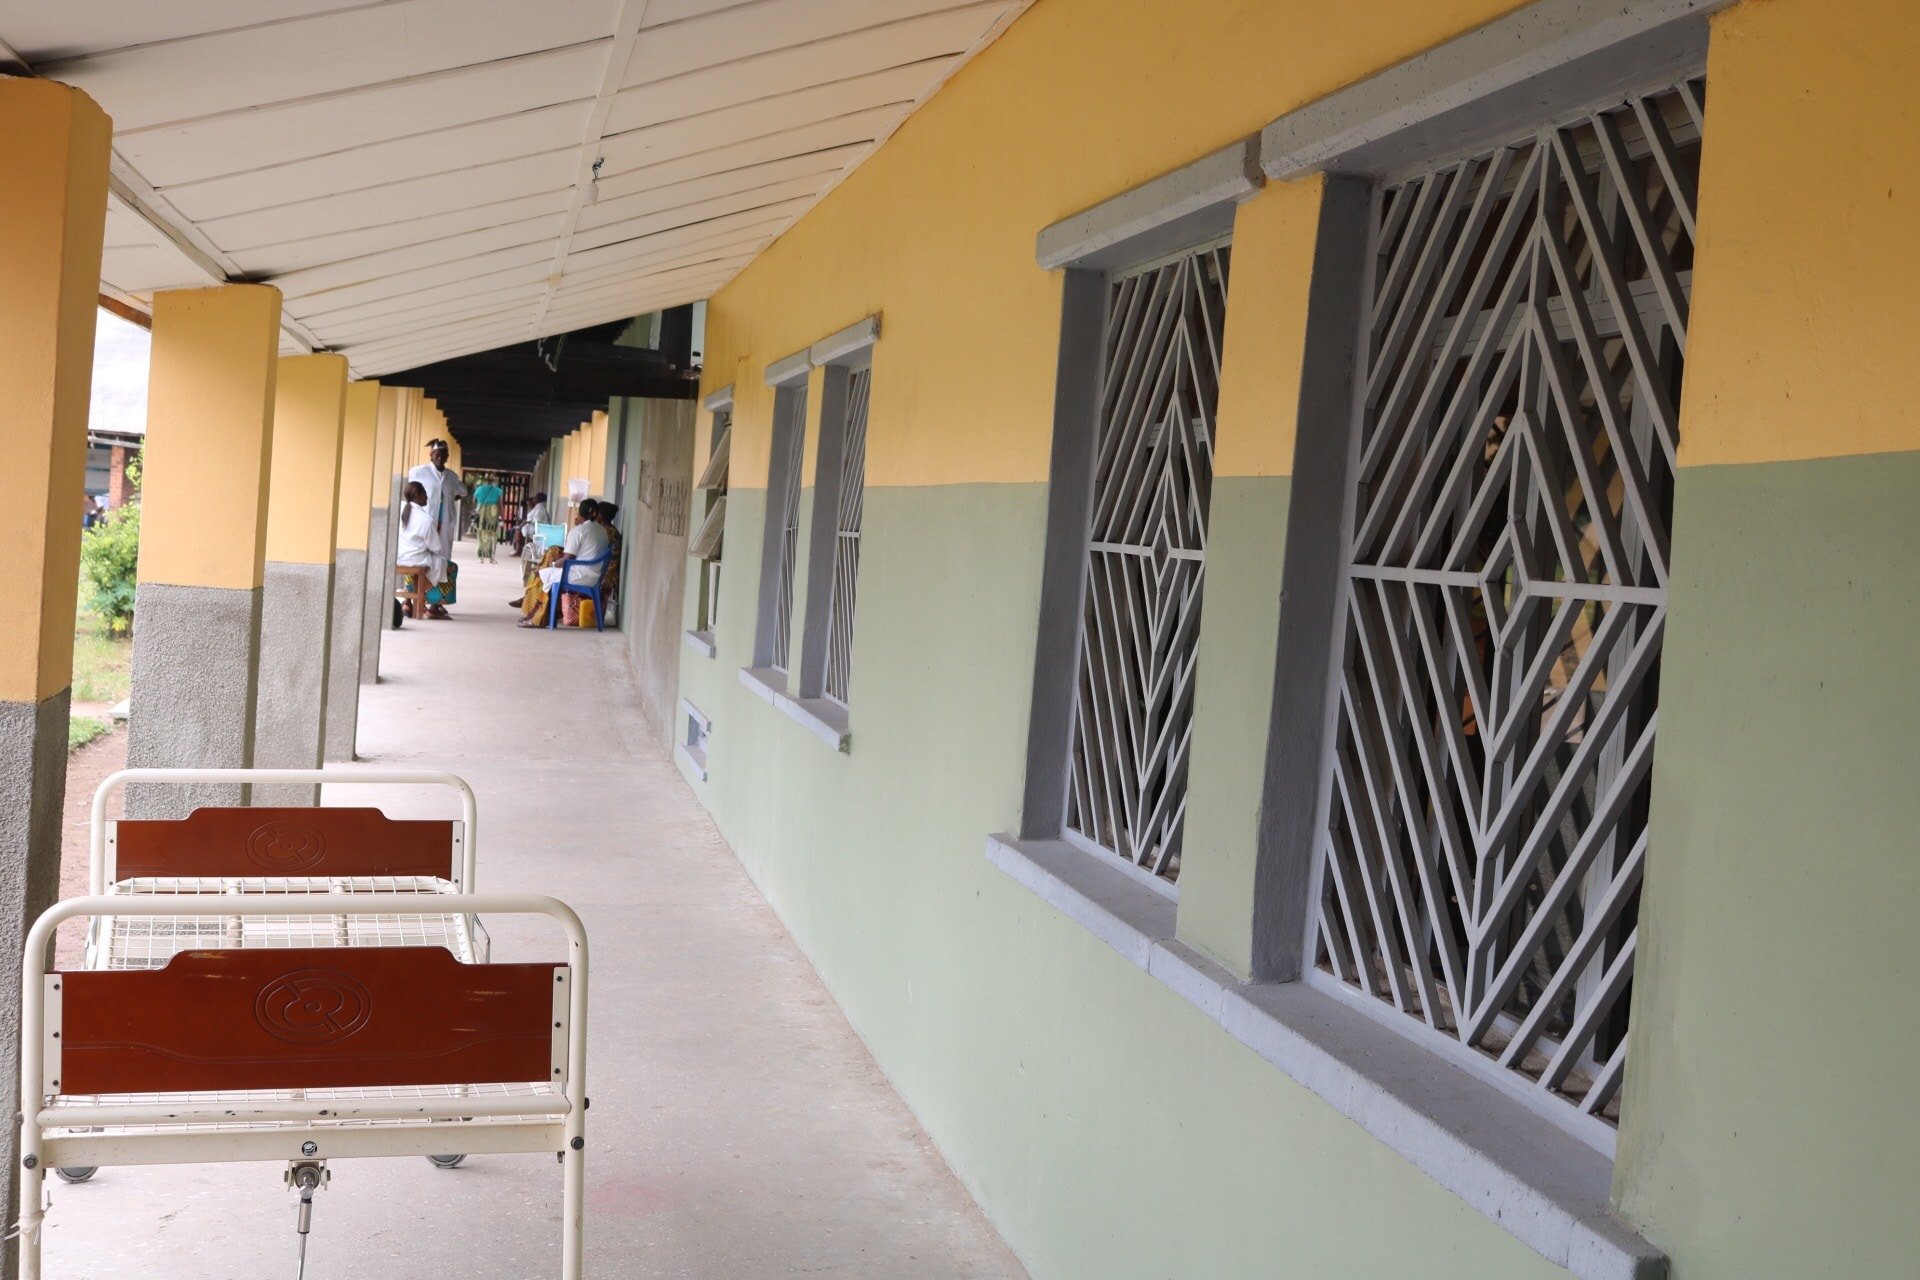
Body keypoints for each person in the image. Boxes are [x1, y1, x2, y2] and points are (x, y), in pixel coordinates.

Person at [517, 499, 610, 628]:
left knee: (542, 575)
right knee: (546, 574)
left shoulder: (579, 531)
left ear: (579, 513)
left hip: (578, 576)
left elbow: (567, 558)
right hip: (594, 577)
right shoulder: (602, 531)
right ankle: (538, 615)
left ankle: (537, 618)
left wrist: (552, 565)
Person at [406, 439, 466, 611]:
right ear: (431, 456)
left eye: (443, 455)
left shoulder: (452, 477)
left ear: (447, 456)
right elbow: (409, 489)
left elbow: (463, 492)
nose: (440, 457)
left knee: (442, 561)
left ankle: (434, 602)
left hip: (444, 525)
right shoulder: (419, 472)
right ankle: (412, 601)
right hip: (425, 523)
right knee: (421, 558)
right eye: (436, 455)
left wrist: (448, 500)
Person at [394, 480, 445, 620]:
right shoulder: (425, 519)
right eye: (424, 494)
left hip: (399, 558)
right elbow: (436, 547)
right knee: (448, 567)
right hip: (416, 560)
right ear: (418, 496)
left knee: (424, 565)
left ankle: (408, 602)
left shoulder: (400, 509)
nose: (427, 497)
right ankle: (434, 606)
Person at [471, 474, 503, 563]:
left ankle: (481, 558)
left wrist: (476, 509)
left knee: (481, 534)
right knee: (493, 535)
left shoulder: (479, 489)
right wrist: (502, 518)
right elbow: (500, 505)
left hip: (481, 513)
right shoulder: (498, 491)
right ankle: (492, 558)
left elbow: (473, 500)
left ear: (485, 480)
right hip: (493, 514)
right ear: (494, 480)